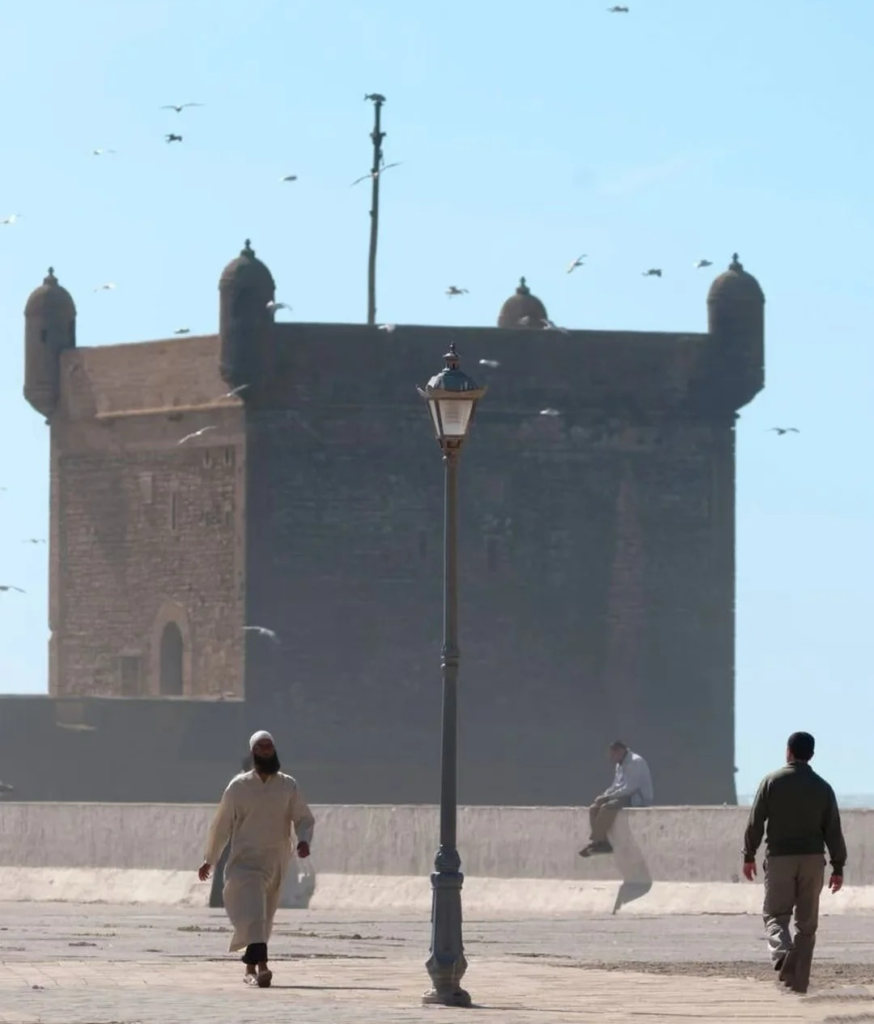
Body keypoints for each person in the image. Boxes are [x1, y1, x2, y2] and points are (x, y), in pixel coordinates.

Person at [198, 730, 315, 988]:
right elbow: (221, 826)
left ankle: (250, 967)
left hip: (275, 862)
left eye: (269, 746)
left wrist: (304, 840)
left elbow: (303, 818)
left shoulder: (288, 786)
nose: (266, 750)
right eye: (261, 747)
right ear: (253, 752)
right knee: (254, 909)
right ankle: (263, 967)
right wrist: (210, 859)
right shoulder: (238, 787)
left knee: (263, 917)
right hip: (245, 863)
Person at [742, 731, 846, 995]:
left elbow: (756, 821)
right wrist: (838, 867)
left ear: (788, 751)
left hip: (780, 859)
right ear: (811, 755)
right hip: (813, 860)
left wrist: (749, 854)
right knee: (807, 925)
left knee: (776, 916)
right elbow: (833, 829)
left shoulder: (771, 781)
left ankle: (783, 954)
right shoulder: (823, 787)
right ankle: (799, 981)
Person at [580, 740, 653, 857]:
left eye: (613, 754)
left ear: (620, 751)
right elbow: (616, 785)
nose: (611, 758)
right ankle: (600, 841)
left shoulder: (635, 762)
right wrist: (604, 796)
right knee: (594, 808)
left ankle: (599, 841)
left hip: (635, 797)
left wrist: (608, 798)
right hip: (623, 794)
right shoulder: (620, 764)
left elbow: (630, 788)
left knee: (607, 807)